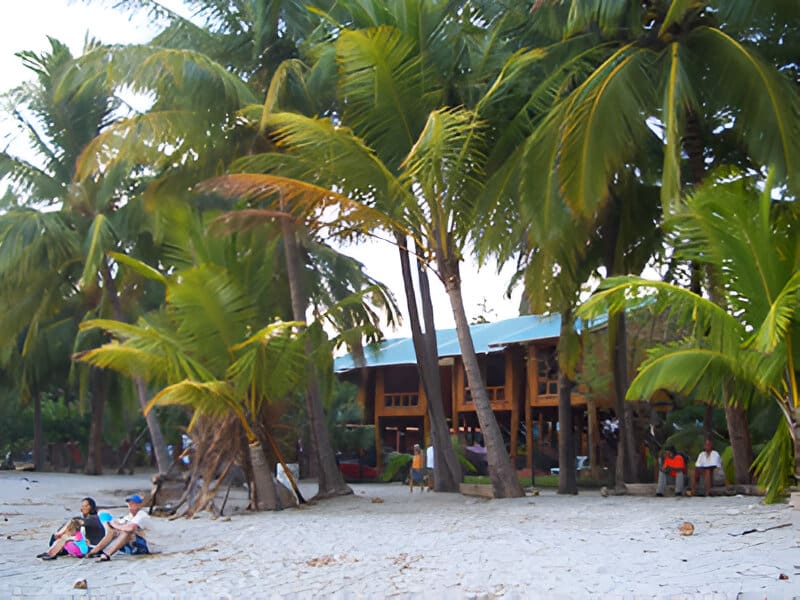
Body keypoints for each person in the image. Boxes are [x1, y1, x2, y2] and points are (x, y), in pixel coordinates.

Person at [38, 497, 108, 559]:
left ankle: (51, 553)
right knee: (59, 537)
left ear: (91, 507)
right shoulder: (89, 519)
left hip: (92, 548)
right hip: (85, 546)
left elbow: (76, 522)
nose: (83, 508)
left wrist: (60, 533)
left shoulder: (93, 519)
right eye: (82, 506)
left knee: (63, 538)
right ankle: (53, 551)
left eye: (86, 506)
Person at [95, 494, 154, 562]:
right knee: (115, 532)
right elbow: (115, 524)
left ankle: (107, 554)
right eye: (129, 503)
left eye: (133, 503)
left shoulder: (142, 515)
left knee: (128, 532)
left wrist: (114, 525)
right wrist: (111, 523)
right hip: (133, 546)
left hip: (147, 546)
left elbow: (131, 528)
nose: (130, 505)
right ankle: (95, 551)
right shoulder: (127, 517)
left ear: (139, 505)